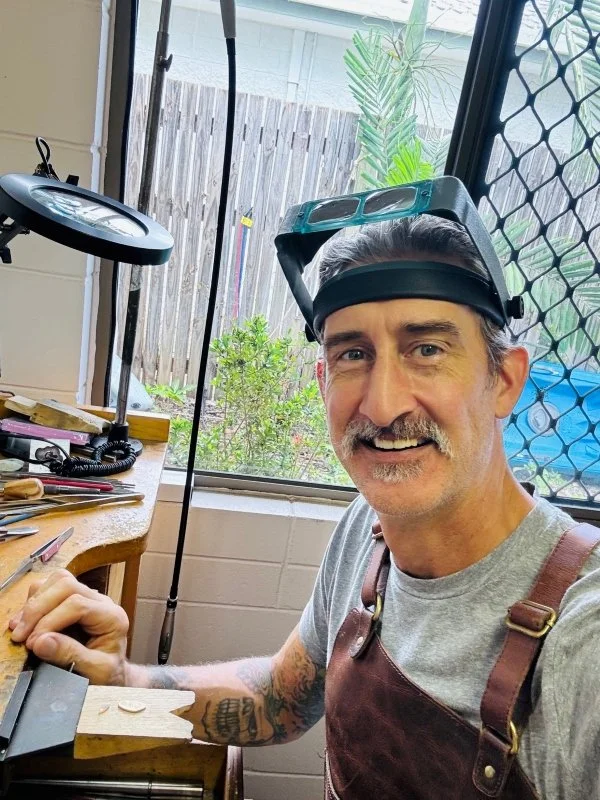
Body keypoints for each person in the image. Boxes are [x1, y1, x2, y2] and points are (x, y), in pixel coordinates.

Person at [8, 215, 600, 799]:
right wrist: (123, 680)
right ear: (322, 381)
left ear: (505, 379)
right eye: (352, 355)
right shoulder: (366, 532)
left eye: (426, 349)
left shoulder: (583, 637)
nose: (384, 404)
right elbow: (277, 697)